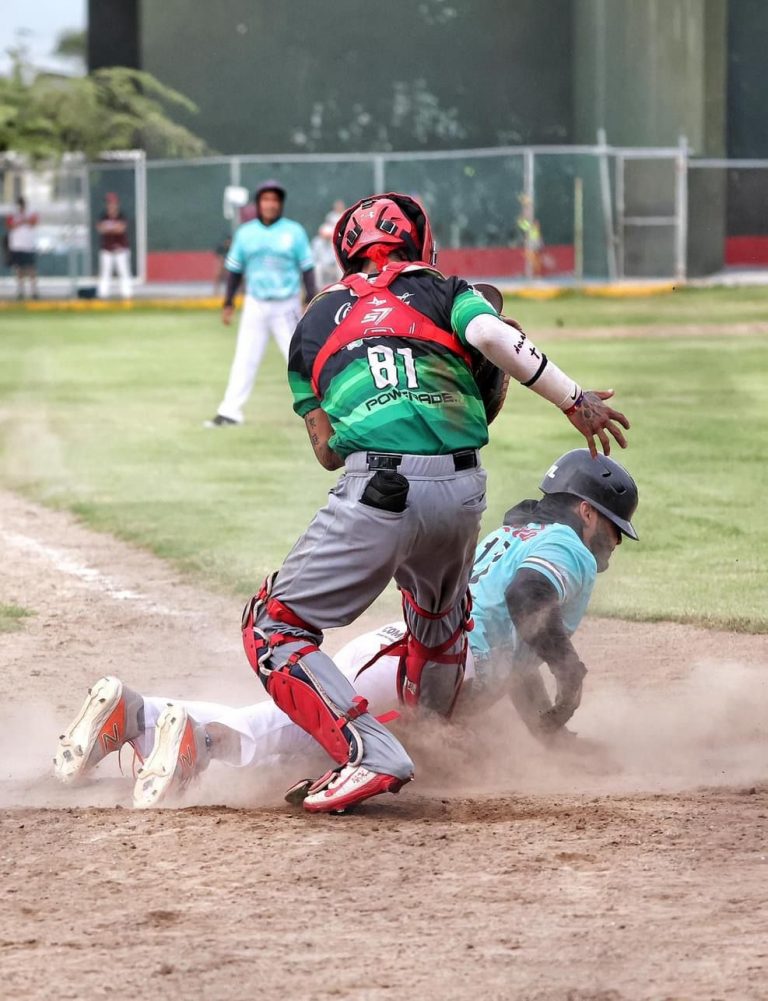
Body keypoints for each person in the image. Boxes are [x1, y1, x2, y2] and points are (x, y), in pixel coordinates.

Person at [236, 191, 630, 814]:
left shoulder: (314, 321)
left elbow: (327, 451)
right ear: (420, 244)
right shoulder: (447, 290)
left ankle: (370, 750)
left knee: (273, 626)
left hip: (379, 487)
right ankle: (437, 744)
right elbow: (491, 337)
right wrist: (573, 400)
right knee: (440, 623)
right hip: (464, 491)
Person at [53, 450, 639, 810]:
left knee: (291, 729)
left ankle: (137, 716)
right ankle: (194, 741)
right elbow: (526, 601)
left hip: (403, 650)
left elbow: (514, 646)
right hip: (427, 667)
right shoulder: (569, 546)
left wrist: (553, 737)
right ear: (586, 511)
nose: (612, 544)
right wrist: (571, 669)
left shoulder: (519, 536)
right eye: (613, 528)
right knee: (299, 743)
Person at [204, 180, 317, 428]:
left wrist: (311, 298)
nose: (270, 204)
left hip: (286, 305)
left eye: (275, 200)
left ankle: (322, 410)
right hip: (255, 303)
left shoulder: (294, 231)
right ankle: (230, 411)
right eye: (265, 199)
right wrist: (228, 303)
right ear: (258, 203)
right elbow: (234, 270)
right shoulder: (246, 233)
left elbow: (307, 268)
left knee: (300, 359)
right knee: (245, 357)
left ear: (280, 204)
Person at [96, 192, 132, 300]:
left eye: (113, 203)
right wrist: (112, 227)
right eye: (109, 203)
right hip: (106, 249)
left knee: (124, 272)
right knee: (105, 273)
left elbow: (121, 229)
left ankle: (127, 296)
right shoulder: (103, 216)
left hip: (120, 249)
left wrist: (109, 228)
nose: (111, 205)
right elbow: (100, 229)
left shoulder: (121, 215)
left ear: (117, 204)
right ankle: (103, 296)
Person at [5, 197, 39, 300]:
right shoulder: (13, 214)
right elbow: (10, 225)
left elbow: (33, 222)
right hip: (17, 245)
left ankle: (34, 291)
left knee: (31, 268)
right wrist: (22, 221)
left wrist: (23, 220)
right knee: (19, 269)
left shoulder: (31, 212)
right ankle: (20, 291)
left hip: (28, 245)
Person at [311, 198, 346, 288]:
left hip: (335, 264)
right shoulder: (317, 242)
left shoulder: (346, 215)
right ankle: (318, 290)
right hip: (323, 265)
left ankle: (342, 285)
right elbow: (314, 258)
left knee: (340, 267)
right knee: (317, 268)